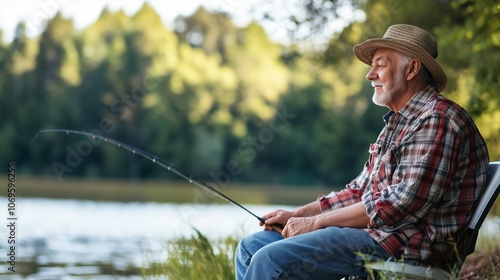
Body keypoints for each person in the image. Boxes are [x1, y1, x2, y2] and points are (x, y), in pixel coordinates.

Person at [234, 24, 490, 280]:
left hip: (409, 247)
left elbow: (401, 203)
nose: (370, 75)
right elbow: (359, 191)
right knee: (252, 247)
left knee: (270, 259)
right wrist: (298, 214)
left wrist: (316, 223)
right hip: (380, 236)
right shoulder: (399, 122)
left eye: (380, 65)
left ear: (412, 69)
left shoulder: (438, 118)